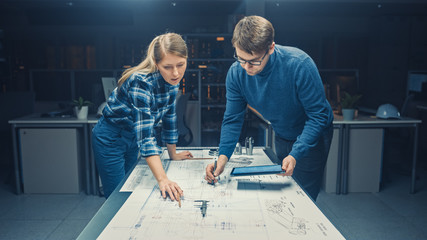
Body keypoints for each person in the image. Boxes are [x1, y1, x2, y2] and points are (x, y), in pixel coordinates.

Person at [205, 16, 333, 201]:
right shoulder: (236, 73)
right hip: (282, 132)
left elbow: (318, 116)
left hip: (312, 134)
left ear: (271, 48)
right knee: (285, 189)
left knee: (303, 197)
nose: (246, 67)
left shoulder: (299, 64)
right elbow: (233, 119)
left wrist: (295, 154)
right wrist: (222, 158)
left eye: (254, 61)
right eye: (241, 59)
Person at [92, 33, 193, 199]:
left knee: (130, 190)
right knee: (117, 198)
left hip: (132, 138)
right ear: (156, 63)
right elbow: (145, 136)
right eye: (167, 67)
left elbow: (169, 120)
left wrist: (172, 154)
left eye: (181, 65)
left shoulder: (172, 82)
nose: (176, 73)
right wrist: (163, 179)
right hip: (110, 138)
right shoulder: (141, 82)